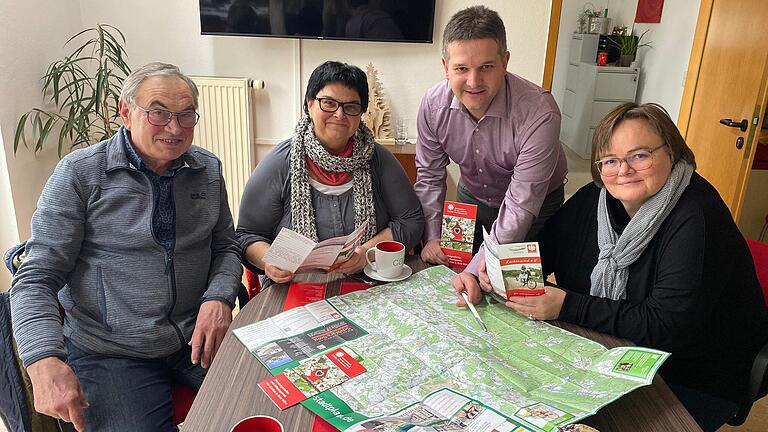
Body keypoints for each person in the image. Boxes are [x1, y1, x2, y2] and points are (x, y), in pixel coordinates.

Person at [481, 102, 768, 430]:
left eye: (640, 155)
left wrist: (568, 305)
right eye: (611, 160)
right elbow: (544, 250)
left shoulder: (696, 216)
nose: (624, 170)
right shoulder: (595, 198)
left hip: (692, 374)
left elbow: (666, 326)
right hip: (613, 347)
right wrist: (500, 272)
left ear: (671, 152)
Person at [10, 62, 243, 432]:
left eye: (186, 116)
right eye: (158, 112)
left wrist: (218, 298)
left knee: (277, 401)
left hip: (195, 334)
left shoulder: (207, 169)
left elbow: (226, 247)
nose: (174, 127)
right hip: (111, 351)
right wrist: (43, 361)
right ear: (126, 111)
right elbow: (36, 275)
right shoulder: (80, 174)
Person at [414, 5, 567, 302]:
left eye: (486, 67)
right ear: (445, 67)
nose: (473, 82)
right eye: (461, 69)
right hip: (473, 197)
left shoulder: (540, 111)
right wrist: (432, 236)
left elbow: (522, 204)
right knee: (461, 284)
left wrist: (475, 268)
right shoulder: (433, 105)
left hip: (536, 206)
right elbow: (430, 176)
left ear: (505, 61)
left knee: (511, 294)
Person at [236, 61, 423, 285]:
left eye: (351, 106)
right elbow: (247, 235)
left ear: (361, 113)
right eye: (329, 103)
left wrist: (366, 252)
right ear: (310, 104)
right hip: (295, 286)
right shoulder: (280, 163)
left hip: (367, 282)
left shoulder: (379, 160)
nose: (339, 114)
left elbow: (411, 220)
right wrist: (269, 262)